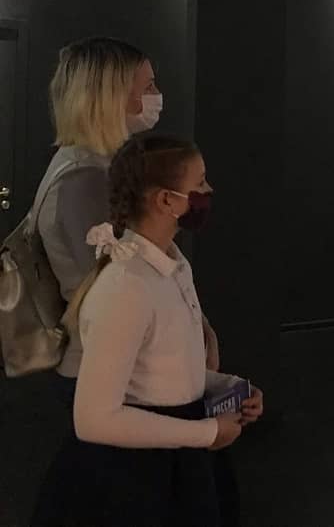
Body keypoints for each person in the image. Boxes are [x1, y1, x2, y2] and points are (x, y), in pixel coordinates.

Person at [32, 134, 263, 526]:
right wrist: (207, 433)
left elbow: (164, 368)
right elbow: (93, 419)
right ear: (166, 201)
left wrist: (227, 387)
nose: (209, 191)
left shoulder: (173, 264)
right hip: (135, 478)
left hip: (176, 458)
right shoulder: (126, 287)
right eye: (200, 183)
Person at [34, 38, 219, 404]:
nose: (156, 96)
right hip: (106, 369)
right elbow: (114, 282)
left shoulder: (98, 166)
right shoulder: (83, 178)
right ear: (111, 95)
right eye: (147, 86)